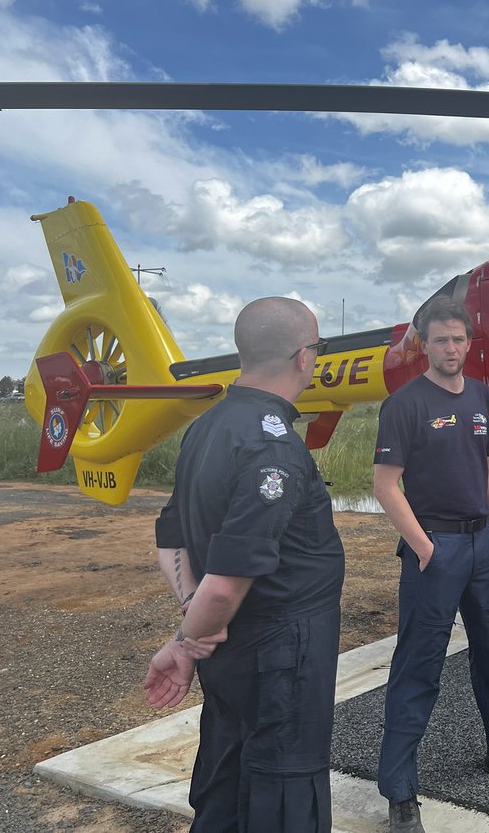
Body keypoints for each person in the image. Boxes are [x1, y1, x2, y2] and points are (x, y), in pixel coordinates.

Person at [144, 296, 345, 832]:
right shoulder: (272, 449)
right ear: (304, 355)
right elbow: (226, 586)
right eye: (318, 347)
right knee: (280, 798)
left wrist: (195, 623)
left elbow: (172, 539)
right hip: (281, 659)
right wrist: (187, 640)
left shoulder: (207, 428)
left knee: (227, 786)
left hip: (231, 657)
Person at [373, 295, 489, 833]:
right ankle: (399, 791)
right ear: (425, 345)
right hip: (435, 550)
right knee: (419, 666)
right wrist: (423, 547)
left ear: (468, 342)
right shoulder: (406, 404)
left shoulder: (481, 394)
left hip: (485, 545)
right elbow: (385, 486)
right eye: (441, 340)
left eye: (459, 339)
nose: (452, 348)